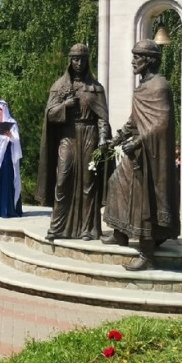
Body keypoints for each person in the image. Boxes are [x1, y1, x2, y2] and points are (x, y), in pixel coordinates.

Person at [103, 40, 180, 270]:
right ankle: (120, 233)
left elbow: (161, 124)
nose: (133, 61)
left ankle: (147, 255)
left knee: (145, 201)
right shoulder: (143, 87)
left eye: (137, 57)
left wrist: (137, 140)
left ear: (148, 59)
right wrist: (116, 139)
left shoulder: (159, 86)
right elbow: (135, 119)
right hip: (138, 152)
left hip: (151, 157)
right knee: (117, 182)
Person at [36, 43, 111, 240]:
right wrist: (65, 105)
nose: (78, 63)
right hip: (68, 135)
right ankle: (58, 227)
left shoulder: (96, 88)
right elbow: (50, 114)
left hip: (89, 134)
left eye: (82, 60)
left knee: (89, 183)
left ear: (88, 62)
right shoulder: (60, 86)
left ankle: (88, 229)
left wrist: (103, 137)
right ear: (70, 61)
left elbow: (103, 117)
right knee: (63, 179)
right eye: (75, 59)